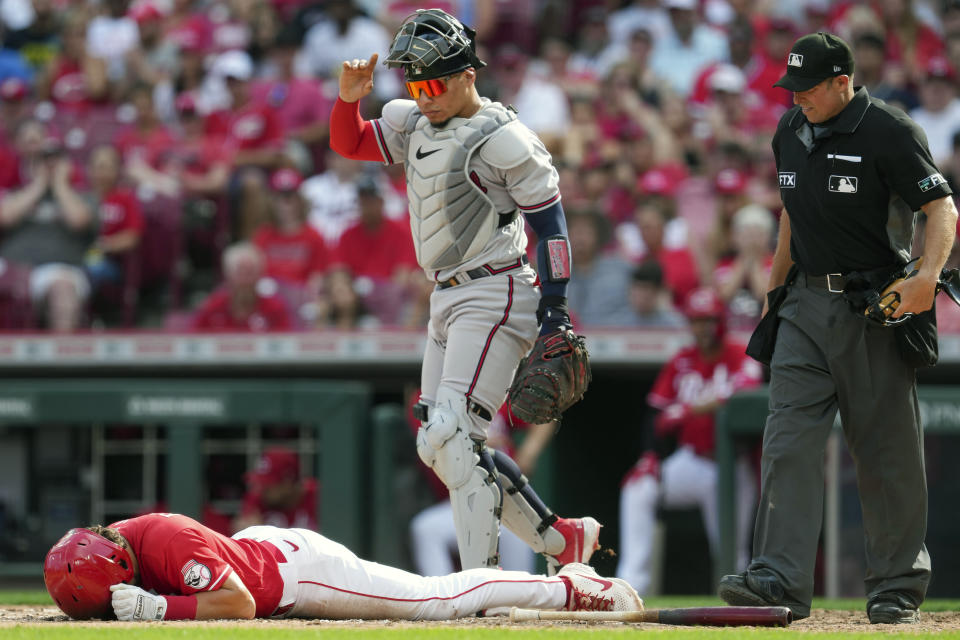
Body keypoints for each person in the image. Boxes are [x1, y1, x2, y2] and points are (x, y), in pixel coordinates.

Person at [328, 9, 601, 574]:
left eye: (432, 83)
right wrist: (349, 100)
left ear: (466, 75)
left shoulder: (504, 138)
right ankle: (562, 540)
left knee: (454, 433)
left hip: (496, 288)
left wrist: (557, 312)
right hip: (445, 296)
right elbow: (349, 143)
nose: (422, 96)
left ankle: (482, 585)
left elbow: (552, 228)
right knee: (439, 443)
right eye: (414, 84)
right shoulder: (411, 122)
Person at [717, 32, 959, 624]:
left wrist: (928, 276)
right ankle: (778, 576)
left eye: (808, 88)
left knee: (884, 451)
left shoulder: (889, 130)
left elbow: (941, 208)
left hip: (873, 305)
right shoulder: (788, 131)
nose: (796, 98)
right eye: (791, 87)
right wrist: (775, 295)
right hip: (804, 304)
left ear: (842, 82)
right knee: (786, 438)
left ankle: (896, 585)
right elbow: (789, 218)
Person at [43, 513, 643, 621]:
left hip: (296, 573)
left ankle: (570, 584)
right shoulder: (103, 546)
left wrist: (159, 606)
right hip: (252, 552)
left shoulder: (166, 541)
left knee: (437, 599)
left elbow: (239, 607)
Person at [617, 288, 761, 595]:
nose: (703, 328)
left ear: (720, 321)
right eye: (697, 321)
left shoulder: (738, 352)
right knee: (638, 487)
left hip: (732, 468)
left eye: (709, 320)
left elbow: (746, 388)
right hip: (692, 461)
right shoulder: (682, 360)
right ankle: (630, 586)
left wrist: (693, 408)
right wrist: (651, 456)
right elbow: (656, 414)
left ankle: (736, 603)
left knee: (732, 554)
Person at [233, 447, 318, 533]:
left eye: (268, 484)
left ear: (288, 481)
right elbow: (242, 528)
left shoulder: (316, 496)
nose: (262, 489)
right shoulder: (256, 498)